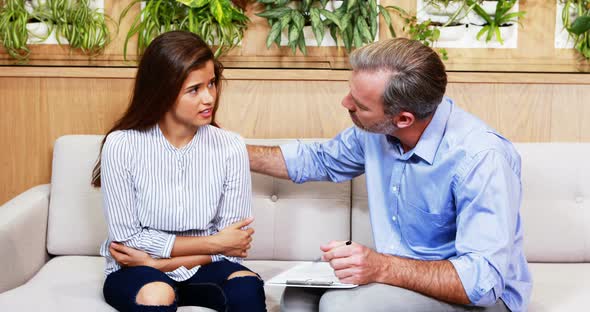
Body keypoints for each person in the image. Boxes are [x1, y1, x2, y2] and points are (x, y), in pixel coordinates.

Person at [247, 38, 531, 312]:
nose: (345, 103)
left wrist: (381, 266)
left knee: (339, 306)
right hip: (405, 277)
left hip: (478, 298)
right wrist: (230, 151)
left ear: (403, 118)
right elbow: (319, 159)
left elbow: (482, 283)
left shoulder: (481, 158)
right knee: (299, 298)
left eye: (360, 105)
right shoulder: (378, 132)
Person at [91, 31, 266, 312]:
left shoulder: (231, 146)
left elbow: (233, 243)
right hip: (135, 272)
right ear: (163, 90)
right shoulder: (121, 144)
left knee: (247, 288)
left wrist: (159, 262)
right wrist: (214, 243)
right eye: (194, 89)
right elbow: (129, 241)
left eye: (212, 84)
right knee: (156, 294)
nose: (209, 97)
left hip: (199, 267)